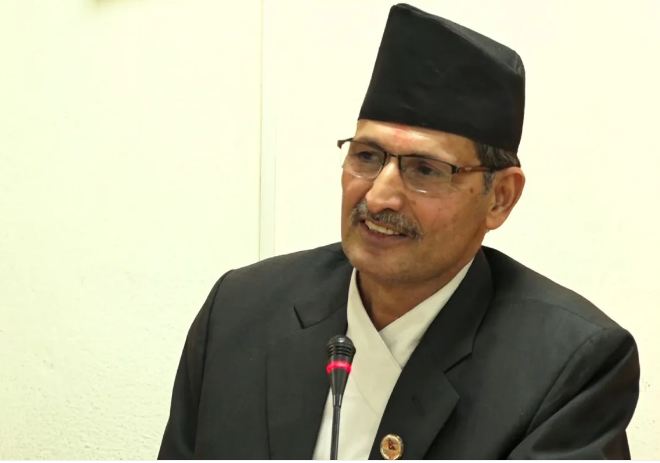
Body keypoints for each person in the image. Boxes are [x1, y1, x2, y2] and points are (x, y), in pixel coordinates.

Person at [158, 3, 639, 459]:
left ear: (500, 198)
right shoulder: (240, 311)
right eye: (367, 156)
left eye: (425, 169)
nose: (378, 197)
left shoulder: (568, 367)